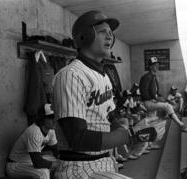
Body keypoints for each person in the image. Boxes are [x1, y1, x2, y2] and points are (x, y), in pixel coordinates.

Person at [52, 10, 158, 179]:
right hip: (80, 167)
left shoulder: (104, 75)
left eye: (111, 33)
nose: (109, 37)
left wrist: (119, 125)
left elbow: (106, 115)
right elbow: (77, 138)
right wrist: (127, 136)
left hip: (104, 161)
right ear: (84, 36)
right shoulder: (71, 75)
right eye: (102, 32)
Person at [139, 57, 187, 133]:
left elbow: (156, 92)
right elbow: (143, 91)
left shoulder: (153, 76)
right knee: (167, 106)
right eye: (154, 65)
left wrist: (160, 97)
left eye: (157, 64)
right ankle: (181, 125)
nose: (157, 66)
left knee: (151, 121)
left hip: (152, 101)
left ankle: (148, 143)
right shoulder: (146, 77)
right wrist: (152, 98)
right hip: (148, 102)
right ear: (150, 66)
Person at [6, 104, 60, 179]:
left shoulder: (51, 130)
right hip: (16, 165)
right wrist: (57, 164)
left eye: (55, 117)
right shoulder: (34, 131)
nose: (55, 120)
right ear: (42, 119)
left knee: (63, 162)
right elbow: (38, 163)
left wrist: (63, 161)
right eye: (51, 118)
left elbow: (56, 152)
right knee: (43, 173)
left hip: (30, 161)